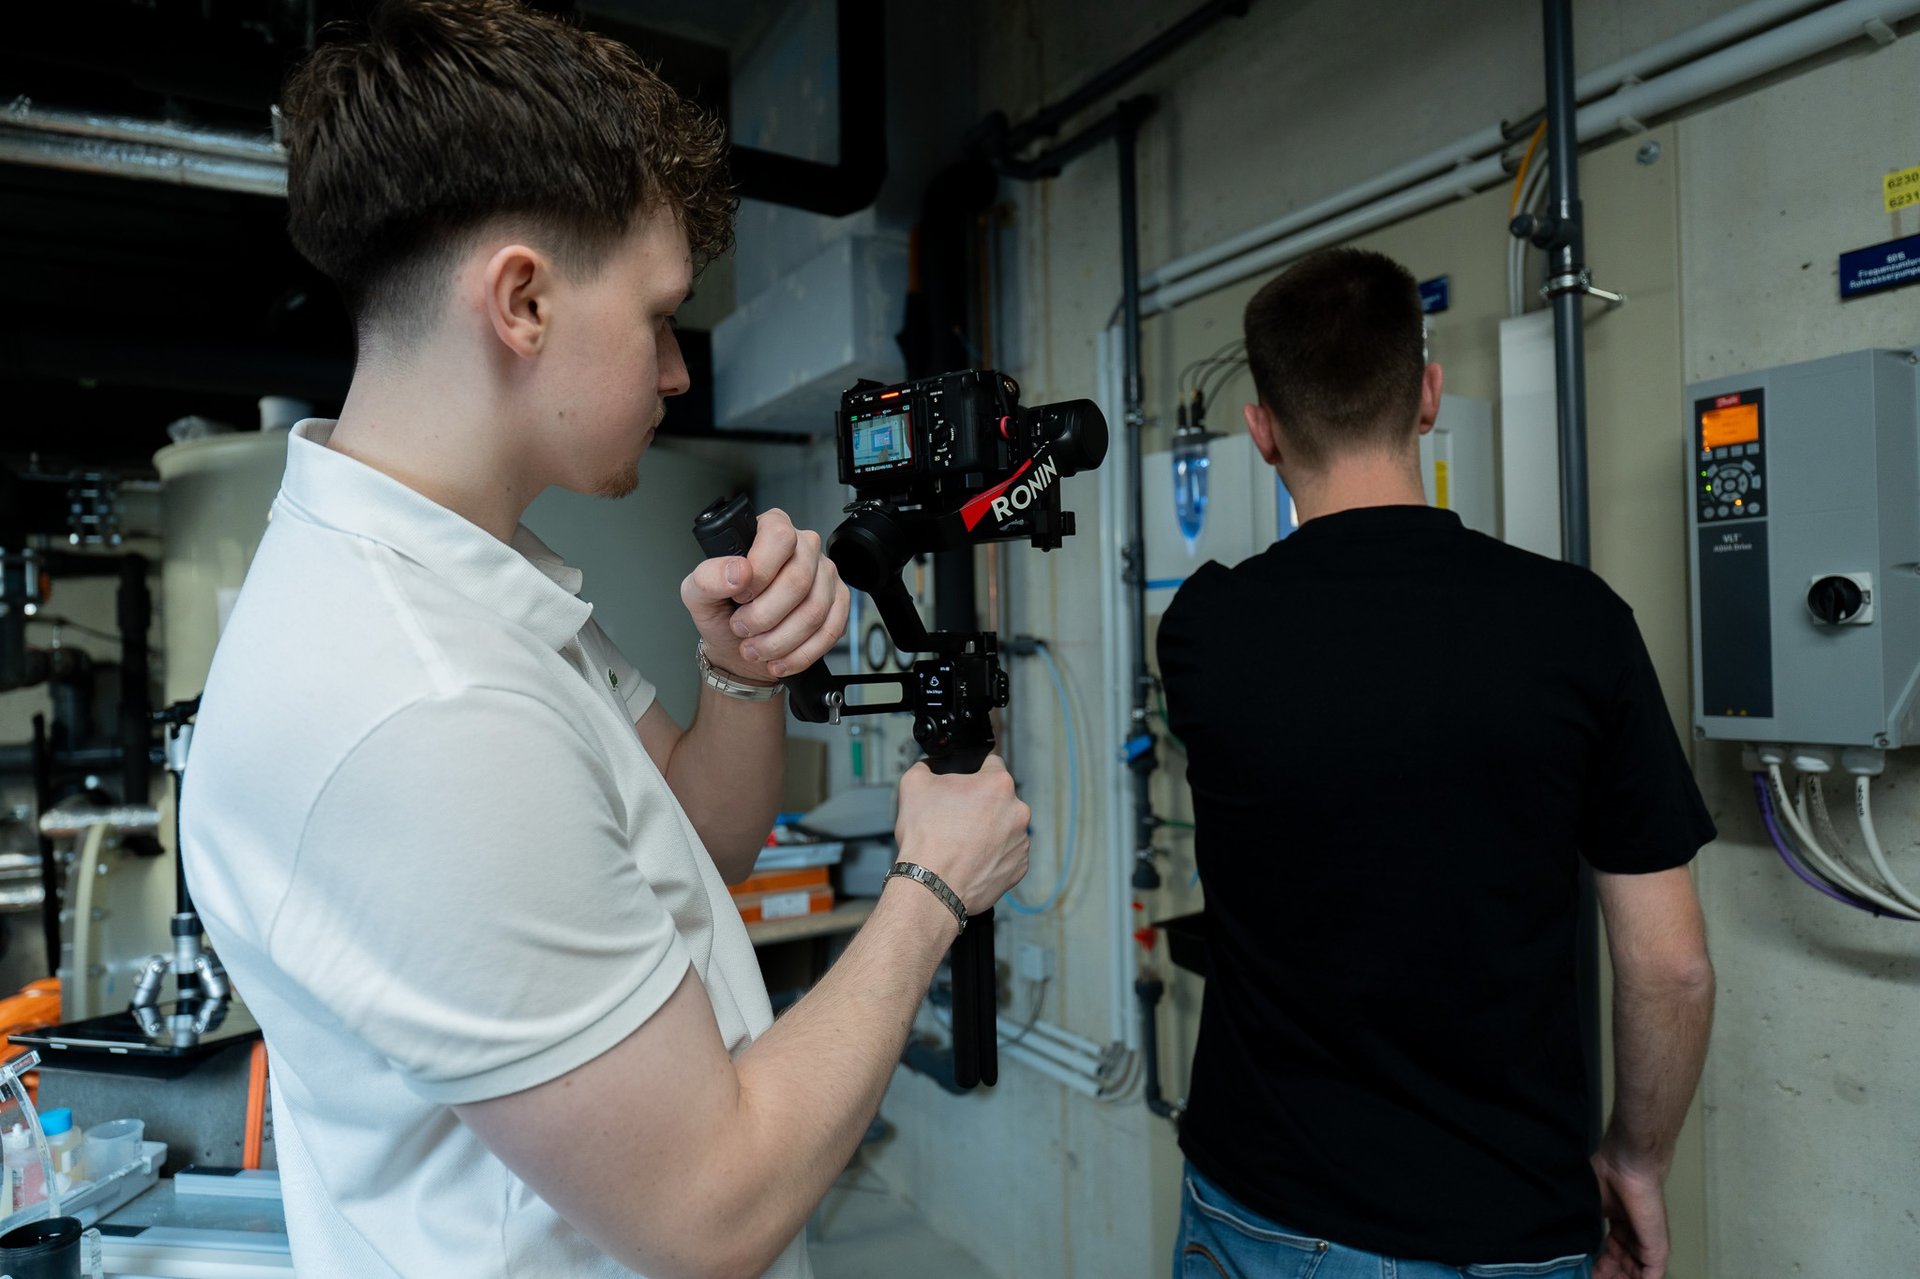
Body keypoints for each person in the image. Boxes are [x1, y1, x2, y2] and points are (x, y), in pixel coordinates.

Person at [180, 3, 1030, 1275]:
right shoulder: (422, 703)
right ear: (520, 300)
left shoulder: (471, 567)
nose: (681, 372)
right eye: (658, 315)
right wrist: (931, 889)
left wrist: (739, 676)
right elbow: (713, 1210)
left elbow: (694, 841)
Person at [1156, 247, 1715, 1279]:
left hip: (1263, 1210)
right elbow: (1671, 964)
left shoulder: (1206, 630)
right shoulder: (1578, 626)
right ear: (1426, 394)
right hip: (1511, 1228)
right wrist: (1637, 1161)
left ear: (1263, 429)